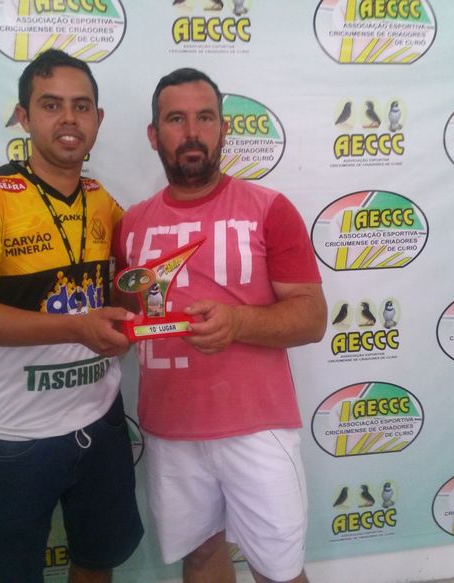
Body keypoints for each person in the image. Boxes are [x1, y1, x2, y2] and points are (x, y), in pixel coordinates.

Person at [113, 68, 327, 583]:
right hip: (170, 428)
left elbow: (312, 317)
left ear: (224, 129)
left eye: (205, 118)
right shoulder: (131, 223)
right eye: (176, 119)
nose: (192, 132)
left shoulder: (269, 209)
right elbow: (126, 315)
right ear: (153, 135)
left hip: (257, 428)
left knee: (278, 572)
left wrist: (238, 322)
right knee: (200, 557)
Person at [0, 49, 142, 582]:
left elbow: (124, 290)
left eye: (81, 106)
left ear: (98, 118)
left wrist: (140, 306)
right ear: (24, 117)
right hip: (20, 433)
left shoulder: (102, 200)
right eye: (51, 105)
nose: (68, 119)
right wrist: (75, 326)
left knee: (97, 560)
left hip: (101, 418)